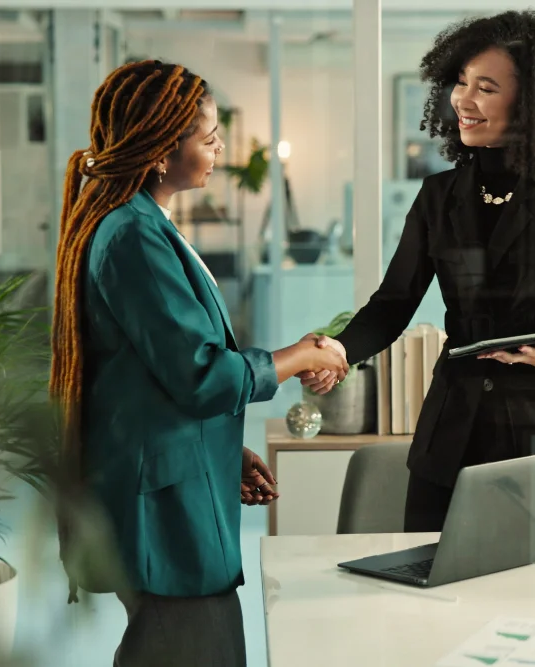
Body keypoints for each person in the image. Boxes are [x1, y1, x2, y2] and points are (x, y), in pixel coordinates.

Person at [49, 60, 348, 667]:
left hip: (173, 484)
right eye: (209, 139)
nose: (218, 151)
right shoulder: (131, 234)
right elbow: (202, 374)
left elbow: (149, 378)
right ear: (163, 149)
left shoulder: (142, 223)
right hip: (163, 513)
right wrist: (303, 355)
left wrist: (221, 451)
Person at [302, 11, 535, 533]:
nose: (463, 99)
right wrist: (341, 349)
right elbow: (392, 305)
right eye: (460, 82)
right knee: (428, 596)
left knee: (534, 602)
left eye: (486, 87)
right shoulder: (439, 195)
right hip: (450, 439)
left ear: (532, 104)